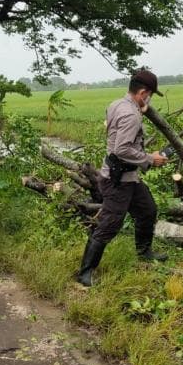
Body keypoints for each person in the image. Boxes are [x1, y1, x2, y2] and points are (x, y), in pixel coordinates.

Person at [75, 68, 169, 287]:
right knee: (110, 223)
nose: (150, 99)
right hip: (118, 181)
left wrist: (143, 109)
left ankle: (144, 252)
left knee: (147, 210)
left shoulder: (118, 104)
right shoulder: (130, 114)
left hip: (128, 176)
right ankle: (85, 273)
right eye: (150, 94)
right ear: (143, 92)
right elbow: (121, 149)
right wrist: (149, 159)